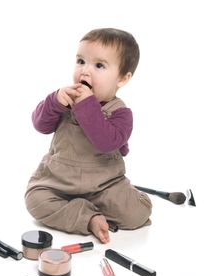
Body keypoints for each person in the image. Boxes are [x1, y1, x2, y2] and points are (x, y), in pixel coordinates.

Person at [25, 28, 152, 244]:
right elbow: (40, 125)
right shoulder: (65, 100)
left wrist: (87, 106)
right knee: (35, 201)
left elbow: (105, 142)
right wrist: (54, 101)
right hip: (58, 181)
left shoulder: (121, 113)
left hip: (104, 185)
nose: (85, 72)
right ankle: (88, 217)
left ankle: (121, 197)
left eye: (99, 66)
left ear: (122, 78)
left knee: (137, 214)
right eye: (81, 61)